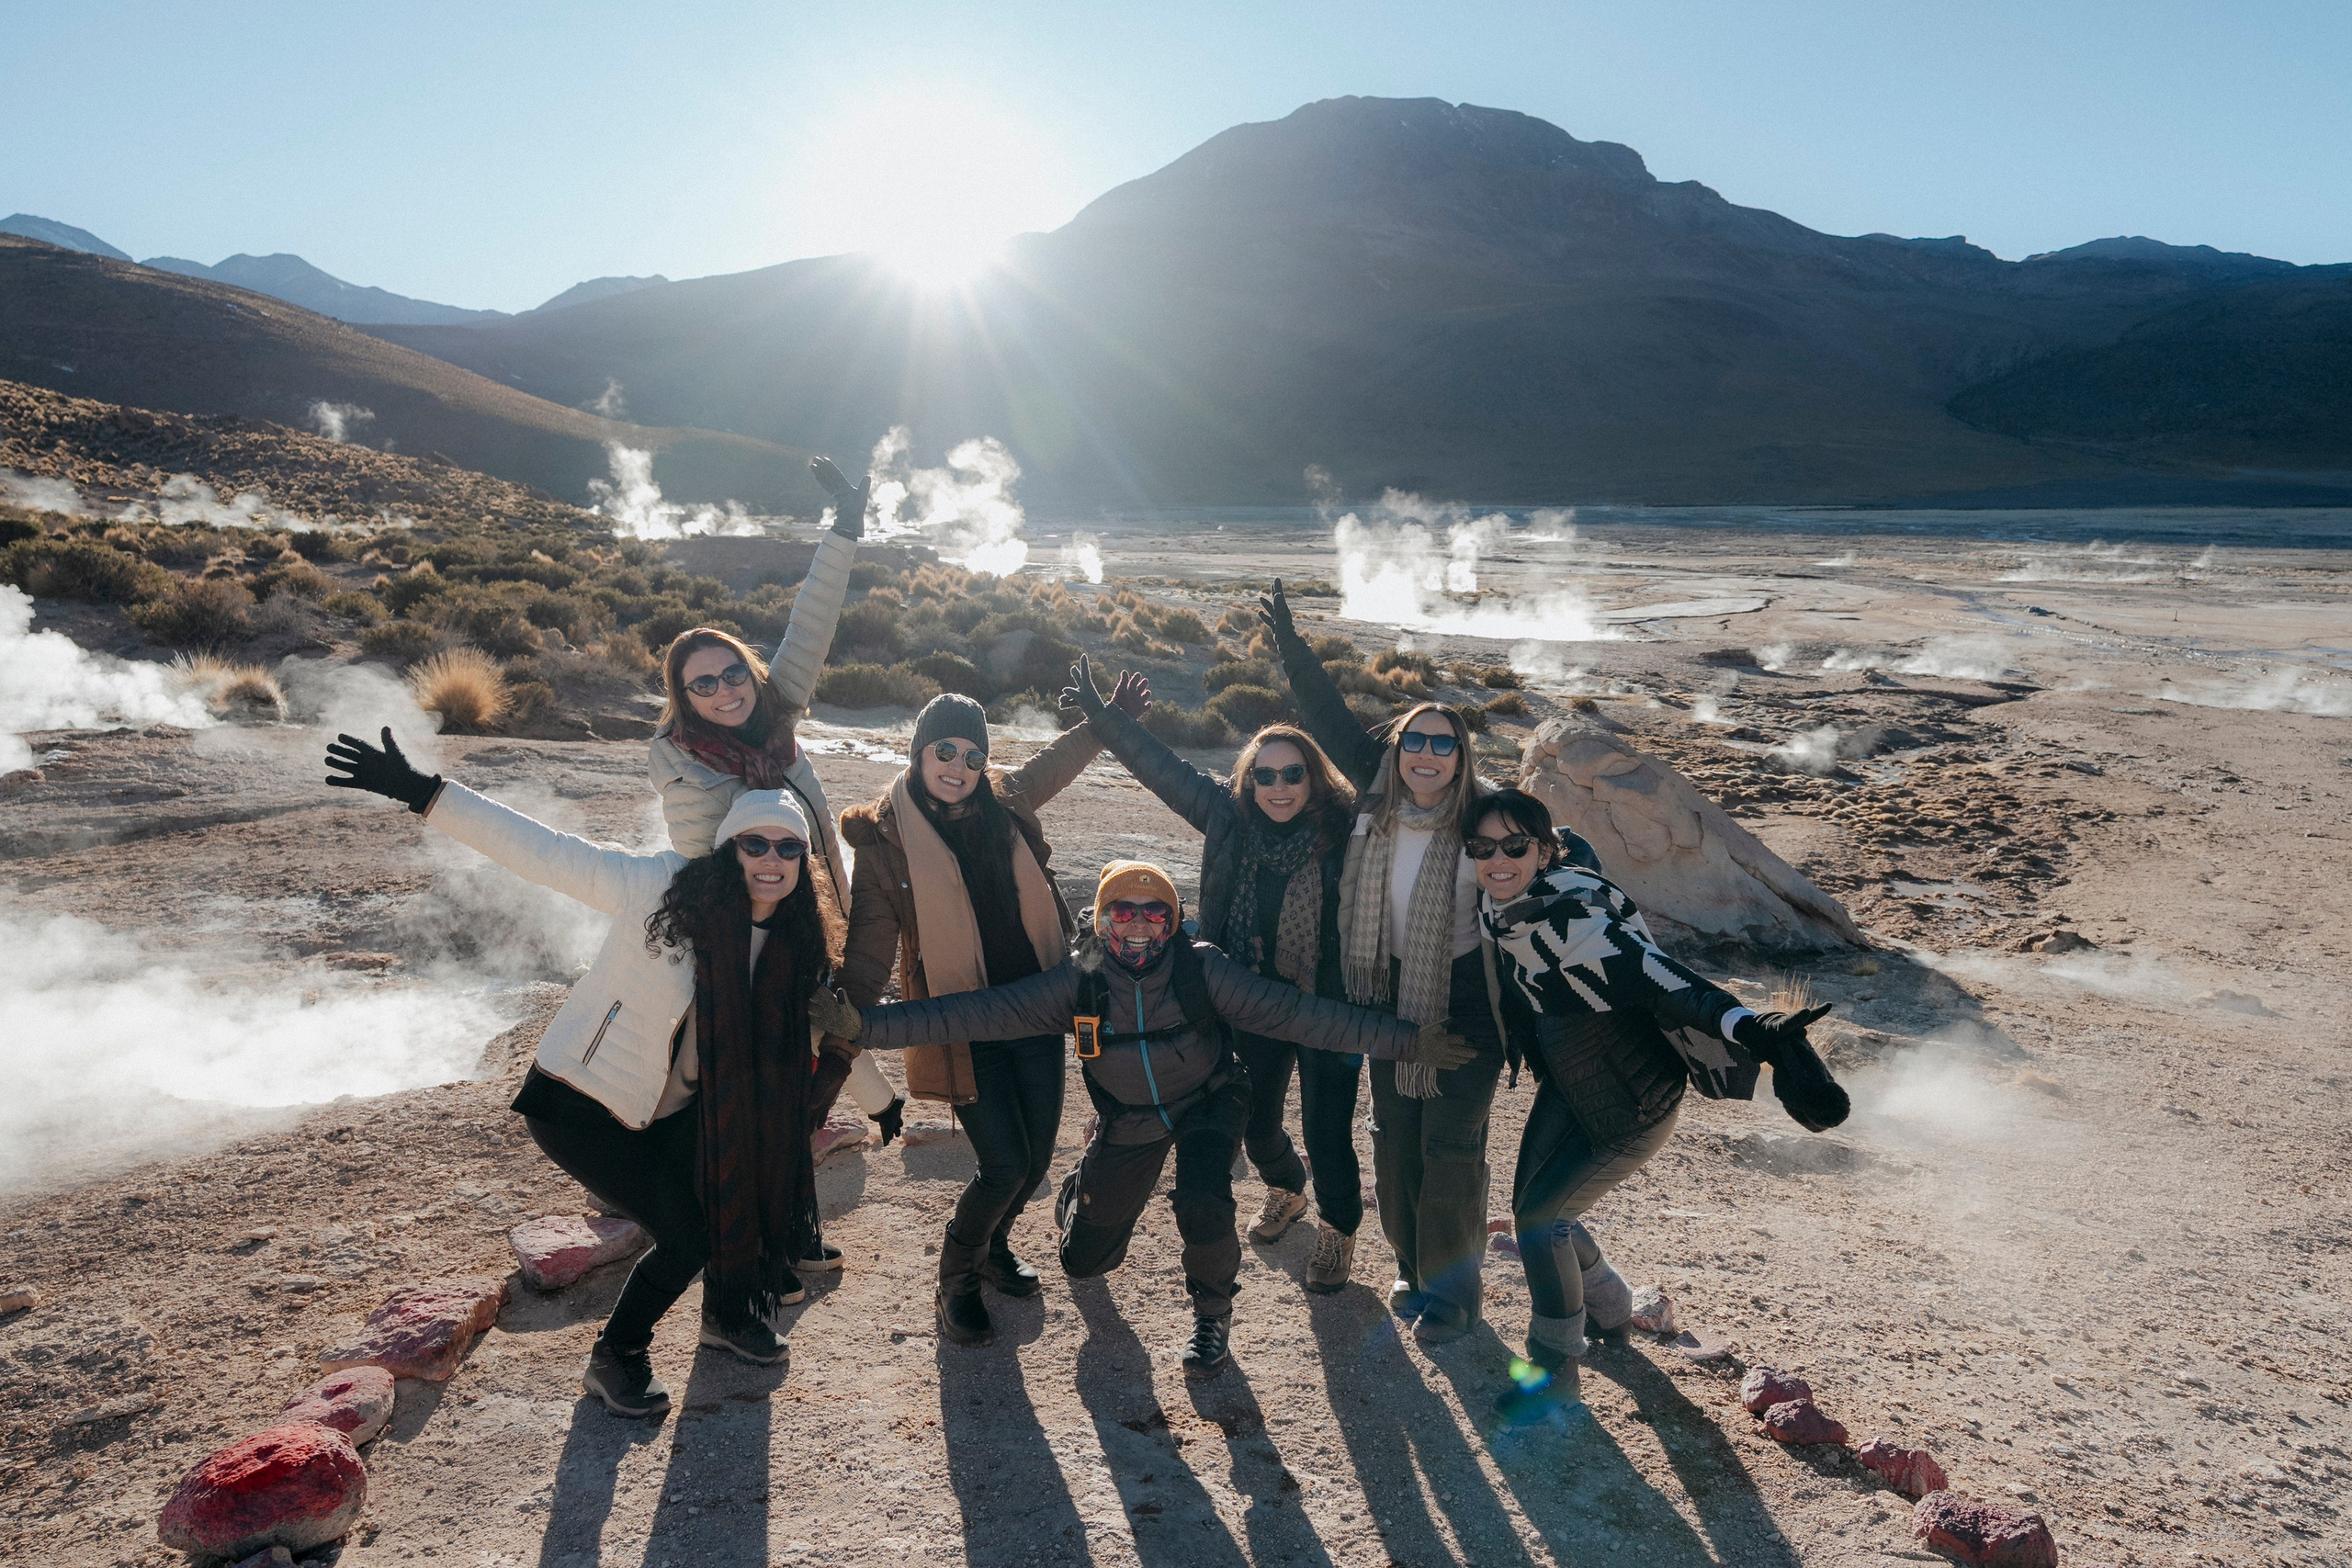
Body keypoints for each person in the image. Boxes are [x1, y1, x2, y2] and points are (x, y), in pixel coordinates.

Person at [325, 728, 842, 1420]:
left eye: (788, 847)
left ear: (803, 859)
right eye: (756, 842)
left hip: (678, 1107)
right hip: (581, 1101)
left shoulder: (793, 941)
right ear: (729, 848)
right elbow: (545, 854)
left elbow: (822, 1034)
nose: (770, 859)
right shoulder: (661, 888)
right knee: (685, 1231)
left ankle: (727, 1315)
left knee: (731, 1199)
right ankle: (617, 1354)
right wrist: (424, 791)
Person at [809, 861, 1473, 1378]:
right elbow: (970, 1012)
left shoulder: (1201, 968)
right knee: (1085, 1263)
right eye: (1121, 911)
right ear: (1101, 921)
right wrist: (866, 1025)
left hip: (1210, 1100)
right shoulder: (1079, 981)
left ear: (1173, 922)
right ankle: (1079, 1191)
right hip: (1129, 1117)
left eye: (1155, 913)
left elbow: (1306, 1016)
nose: (1137, 924)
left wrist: (1409, 1041)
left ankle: (1212, 1316)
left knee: (1205, 1199)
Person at [1469, 787, 1848, 1422]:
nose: (1497, 859)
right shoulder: (1499, 909)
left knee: (1540, 1219)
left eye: (1514, 846)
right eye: (1482, 848)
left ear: (1543, 851)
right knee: (1537, 1211)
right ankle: (1612, 1306)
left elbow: (1670, 980)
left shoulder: (1580, 925)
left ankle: (1554, 1369)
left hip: (1632, 1104)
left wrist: (1755, 1029)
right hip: (1571, 1086)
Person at [835, 683, 1143, 1347]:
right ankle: (957, 1279)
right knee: (1004, 1164)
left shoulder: (1005, 798)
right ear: (919, 751)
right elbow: (868, 941)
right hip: (964, 1021)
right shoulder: (887, 839)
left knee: (1034, 1163)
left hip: (1037, 1005)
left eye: (974, 755)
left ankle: (994, 1247)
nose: (959, 766)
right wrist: (847, 1014)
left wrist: (1107, 718)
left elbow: (1056, 763)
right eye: (944, 750)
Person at [1059, 654, 1368, 1292]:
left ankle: (1339, 1231)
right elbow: (1163, 770)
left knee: (1327, 1127)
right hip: (1249, 998)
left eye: (1292, 773)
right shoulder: (1229, 817)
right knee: (1255, 1121)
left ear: (1312, 778)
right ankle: (1288, 1188)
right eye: (1264, 774)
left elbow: (1371, 755)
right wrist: (1105, 717)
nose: (1278, 785)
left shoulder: (1348, 831)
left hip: (1326, 1005)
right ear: (1249, 780)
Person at [1258, 582, 1506, 1345]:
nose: (1428, 754)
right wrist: (1293, 650)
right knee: (1394, 1136)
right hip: (1387, 988)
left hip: (1464, 998)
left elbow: (1557, 860)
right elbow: (1328, 717)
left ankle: (1453, 1292)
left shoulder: (1488, 814)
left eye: (1445, 743)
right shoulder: (1376, 793)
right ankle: (1411, 1262)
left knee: (1452, 1147)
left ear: (1461, 756)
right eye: (1417, 741)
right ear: (1397, 750)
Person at [648, 455, 906, 1161]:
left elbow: (812, 620)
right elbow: (703, 866)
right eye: (704, 684)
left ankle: (838, 1133)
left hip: (814, 909)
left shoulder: (775, 715)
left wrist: (845, 526)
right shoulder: (685, 766)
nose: (725, 689)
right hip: (748, 928)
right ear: (686, 697)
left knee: (819, 1026)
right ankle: (666, 1158)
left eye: (733, 671)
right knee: (735, 1052)